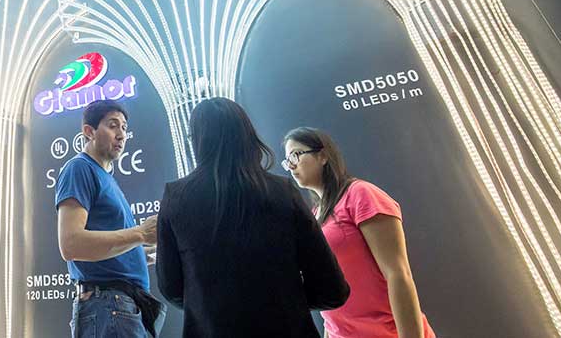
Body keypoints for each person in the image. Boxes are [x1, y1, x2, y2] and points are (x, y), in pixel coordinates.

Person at [156, 97, 349, 337]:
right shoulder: (283, 192)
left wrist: (211, 304)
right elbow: (332, 288)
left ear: (196, 140)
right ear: (248, 135)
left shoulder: (175, 197)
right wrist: (287, 299)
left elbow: (171, 287)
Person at [283, 127, 435, 338]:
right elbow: (331, 302)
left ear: (323, 156)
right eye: (287, 160)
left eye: (296, 155)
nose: (291, 165)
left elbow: (398, 274)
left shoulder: (360, 194)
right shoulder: (316, 214)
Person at [56, 99, 165, 337]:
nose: (121, 134)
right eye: (113, 125)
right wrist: (141, 233)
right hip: (109, 306)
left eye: (124, 128)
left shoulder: (106, 177)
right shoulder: (79, 168)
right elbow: (71, 244)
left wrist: (145, 253)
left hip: (121, 307)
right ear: (89, 131)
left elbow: (107, 246)